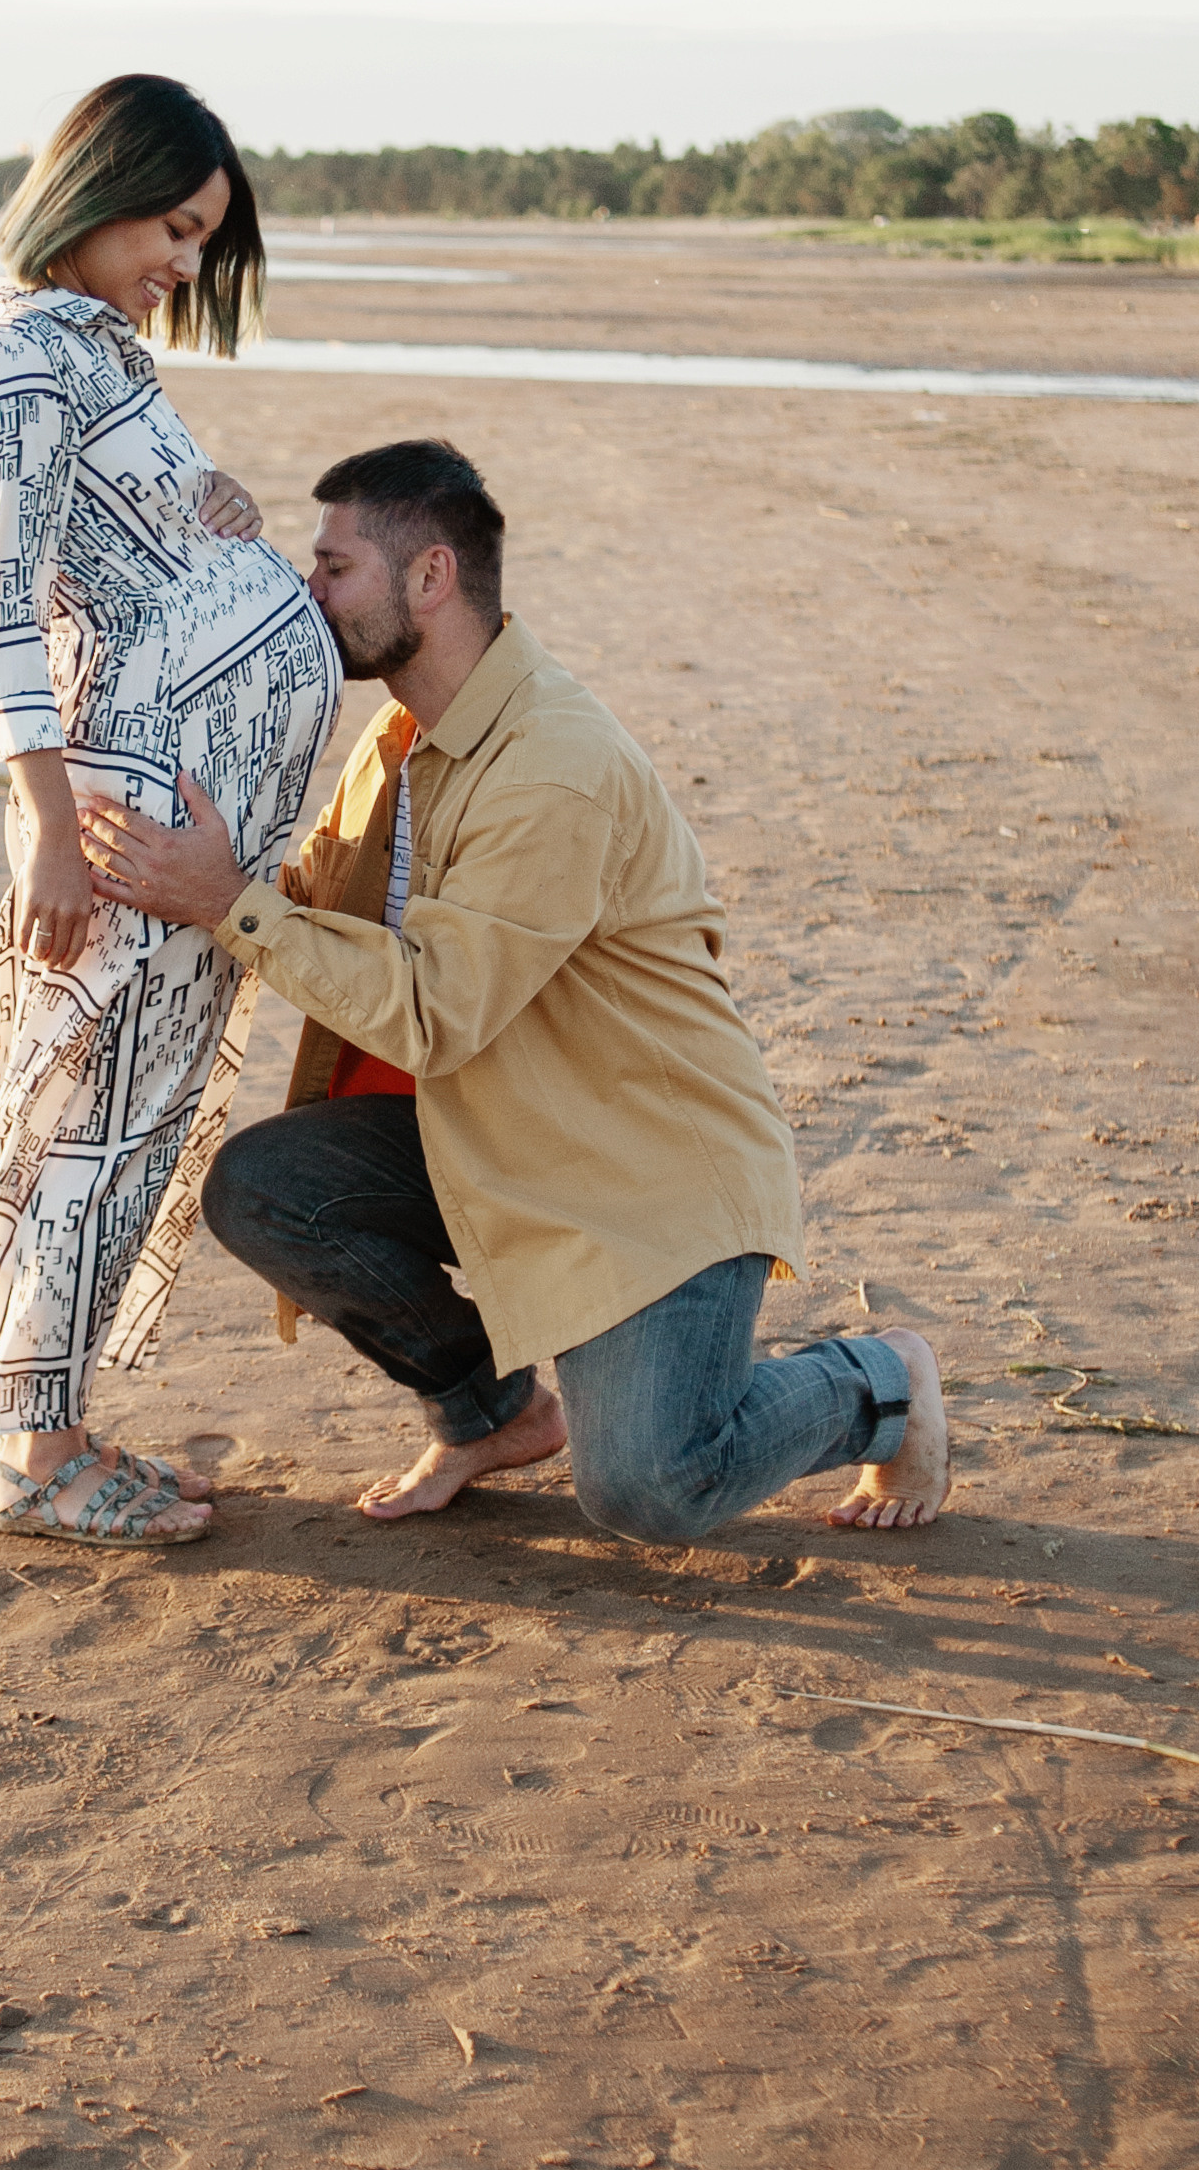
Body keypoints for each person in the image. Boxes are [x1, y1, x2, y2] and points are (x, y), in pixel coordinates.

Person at [82, 439, 948, 1540]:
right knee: (267, 1186)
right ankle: (490, 1414)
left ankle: (879, 1378)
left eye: (333, 568)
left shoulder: (552, 763)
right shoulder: (401, 739)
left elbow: (434, 1008)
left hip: (640, 1181)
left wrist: (229, 905)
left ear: (430, 578)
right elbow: (316, 905)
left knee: (649, 1487)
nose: (312, 592)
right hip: (492, 1138)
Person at [0, 74, 341, 1546]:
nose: (186, 267)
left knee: (134, 1120)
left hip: (163, 805)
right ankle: (36, 1456)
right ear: (97, 187)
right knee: (91, 1117)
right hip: (123, 806)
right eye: (175, 228)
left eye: (204, 241)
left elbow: (126, 554)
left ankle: (53, 1421)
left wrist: (220, 515)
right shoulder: (22, 358)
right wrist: (56, 831)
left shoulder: (89, 351)